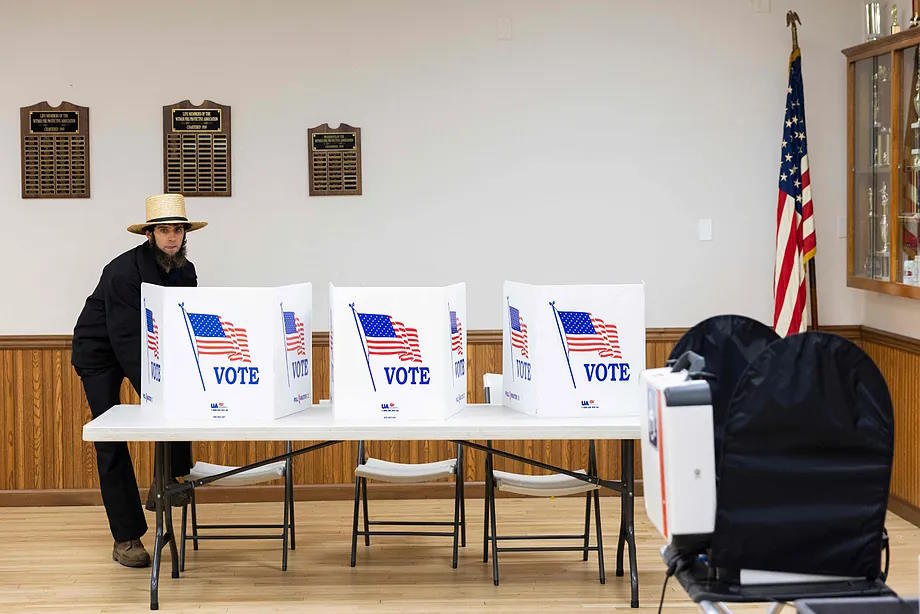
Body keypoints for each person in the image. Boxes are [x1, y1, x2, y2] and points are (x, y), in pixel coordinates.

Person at [72, 193, 206, 567]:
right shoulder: (122, 273)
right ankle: (126, 536)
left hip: (144, 346)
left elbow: (182, 326)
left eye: (177, 230)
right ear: (149, 234)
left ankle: (168, 478)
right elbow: (127, 340)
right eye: (164, 230)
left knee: (178, 399)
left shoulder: (186, 271)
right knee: (110, 439)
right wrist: (156, 391)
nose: (172, 237)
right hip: (101, 352)